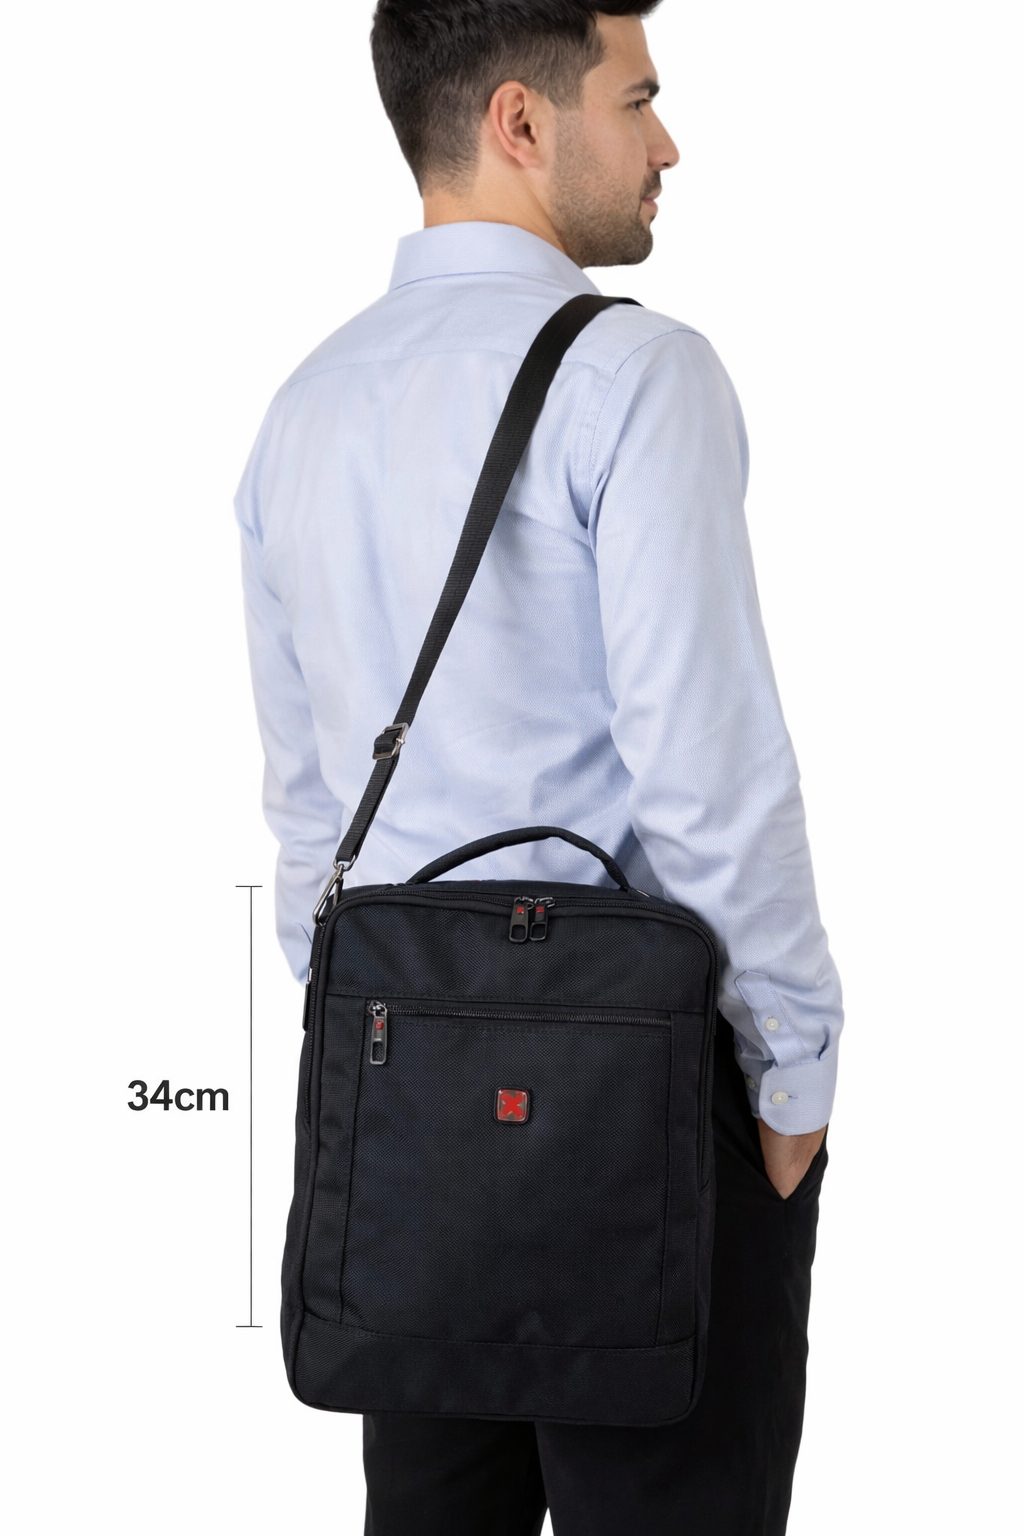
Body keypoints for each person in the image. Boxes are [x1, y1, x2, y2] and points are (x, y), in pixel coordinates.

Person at [232, 3, 844, 1531]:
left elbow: (307, 807)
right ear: (521, 120)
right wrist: (792, 1068)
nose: (667, 144)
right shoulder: (636, 373)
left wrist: (378, 1052)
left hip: (404, 1091)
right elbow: (706, 769)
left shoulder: (306, 401)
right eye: (637, 99)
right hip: (639, 1084)